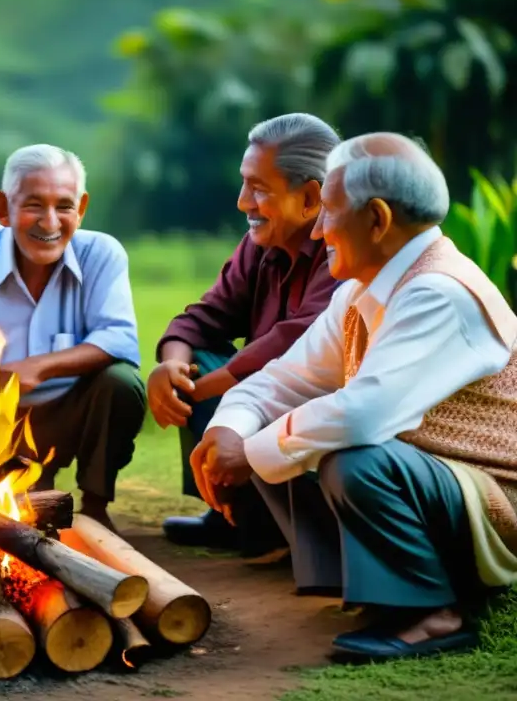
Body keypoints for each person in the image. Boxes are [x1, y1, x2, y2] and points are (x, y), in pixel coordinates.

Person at [193, 132, 517, 661]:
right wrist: (227, 432)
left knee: (352, 455)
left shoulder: (438, 291)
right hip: (441, 480)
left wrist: (249, 454)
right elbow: (284, 378)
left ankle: (431, 614)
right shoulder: (360, 288)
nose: (318, 230)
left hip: (498, 502)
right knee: (291, 427)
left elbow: (365, 413)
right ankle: (369, 588)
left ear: (378, 220)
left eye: (328, 212)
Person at [149, 113, 342, 560]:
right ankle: (231, 514)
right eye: (243, 184)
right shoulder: (260, 244)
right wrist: (172, 365)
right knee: (193, 357)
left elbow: (296, 344)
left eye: (259, 188)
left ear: (311, 197)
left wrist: (197, 388)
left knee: (220, 381)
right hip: (260, 398)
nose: (242, 202)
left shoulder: (343, 248)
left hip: (315, 404)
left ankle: (276, 527)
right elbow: (204, 317)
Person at [0, 144, 145, 532]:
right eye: (33, 205)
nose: (49, 222)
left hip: (69, 414)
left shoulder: (102, 254)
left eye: (64, 206)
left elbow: (118, 337)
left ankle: (95, 506)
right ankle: (2, 492)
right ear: (2, 208)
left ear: (81, 208)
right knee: (8, 520)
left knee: (122, 382)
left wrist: (36, 368)